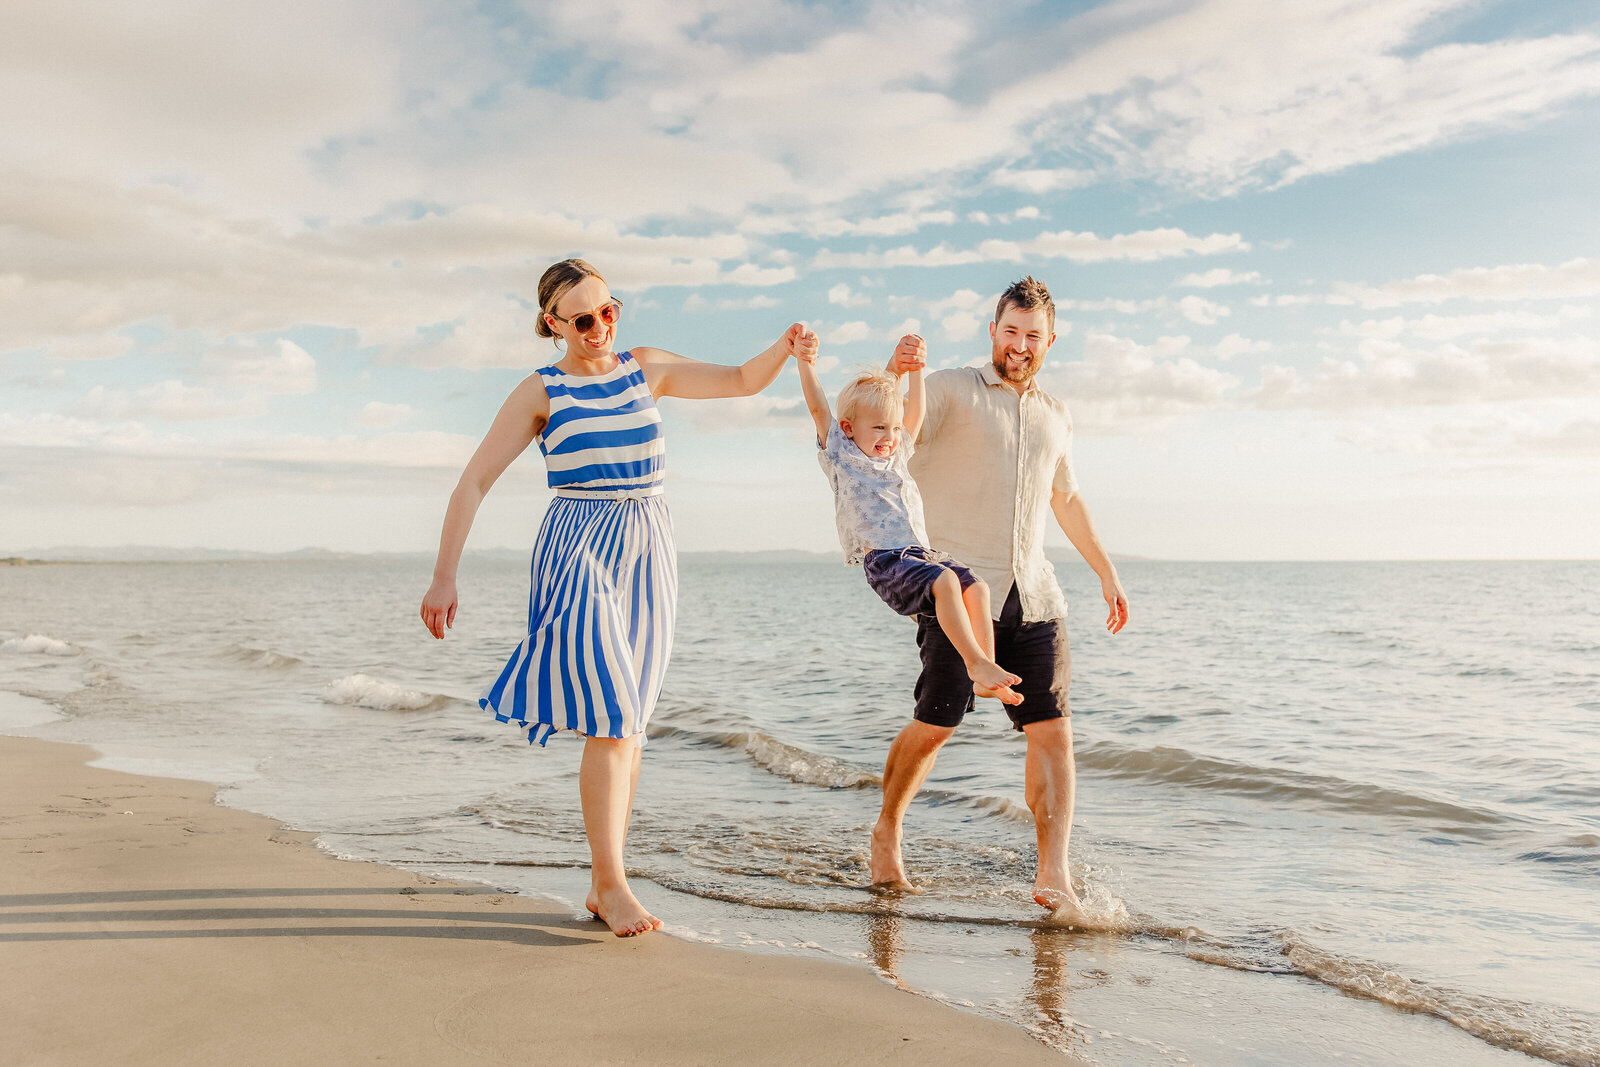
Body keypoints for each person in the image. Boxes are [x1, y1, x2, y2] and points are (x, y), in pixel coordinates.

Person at [420, 258, 817, 937]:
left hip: (648, 549)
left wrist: (785, 348)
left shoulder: (647, 368)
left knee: (630, 720)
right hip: (578, 545)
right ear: (552, 324)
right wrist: (444, 575)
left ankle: (609, 879)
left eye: (609, 311)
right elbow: (473, 482)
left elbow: (742, 380)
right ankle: (610, 882)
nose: (600, 326)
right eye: (582, 319)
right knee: (610, 714)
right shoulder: (539, 390)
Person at [868, 276, 1129, 920]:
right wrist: (903, 373)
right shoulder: (953, 388)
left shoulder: (1056, 414)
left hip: (1036, 594)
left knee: (1053, 734)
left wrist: (1107, 571)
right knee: (936, 728)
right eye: (1010, 331)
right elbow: (900, 430)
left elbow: (1064, 497)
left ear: (1051, 340)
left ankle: (1053, 875)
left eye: (1033, 335)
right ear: (993, 330)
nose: (1020, 345)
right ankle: (888, 829)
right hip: (961, 591)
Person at [792, 352, 1022, 703]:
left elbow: (915, 414)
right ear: (849, 428)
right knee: (945, 582)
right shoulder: (842, 455)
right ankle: (975, 664)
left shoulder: (896, 455)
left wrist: (917, 372)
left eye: (894, 428)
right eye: (880, 427)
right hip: (885, 560)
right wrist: (805, 361)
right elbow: (818, 409)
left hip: (920, 555)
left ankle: (985, 674)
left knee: (976, 586)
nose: (890, 436)